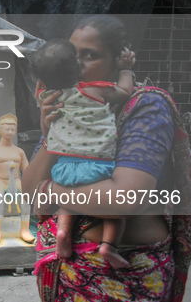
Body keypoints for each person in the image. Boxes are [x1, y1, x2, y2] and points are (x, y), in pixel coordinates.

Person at [22, 15, 191, 302]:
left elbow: (124, 198)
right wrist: (51, 132)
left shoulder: (145, 106)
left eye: (90, 55)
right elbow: (28, 190)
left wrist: (50, 188)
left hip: (130, 271)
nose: (77, 65)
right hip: (73, 270)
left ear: (118, 59)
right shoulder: (63, 104)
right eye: (73, 56)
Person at [30, 38, 135, 268]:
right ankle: (109, 245)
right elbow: (125, 91)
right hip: (97, 164)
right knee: (113, 211)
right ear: (77, 68)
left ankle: (63, 233)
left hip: (64, 166)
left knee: (70, 198)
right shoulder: (94, 89)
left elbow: (42, 88)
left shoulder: (47, 98)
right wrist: (125, 68)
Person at [0, 114, 33, 244]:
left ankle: (24, 230)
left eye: (12, 129)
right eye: (7, 129)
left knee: (25, 201)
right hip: (0, 181)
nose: (10, 132)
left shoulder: (19, 151)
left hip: (16, 180)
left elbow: (28, 170)